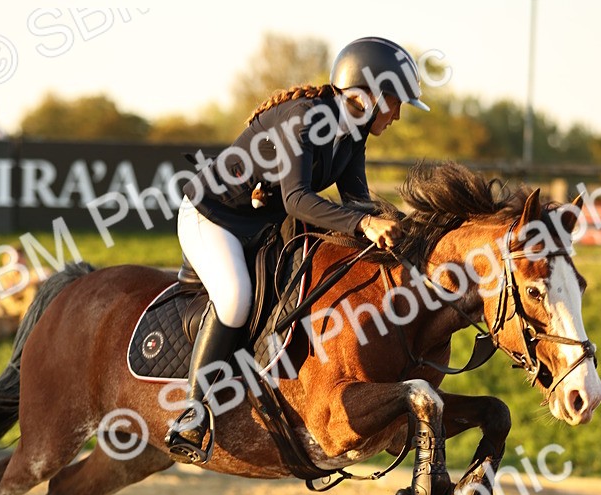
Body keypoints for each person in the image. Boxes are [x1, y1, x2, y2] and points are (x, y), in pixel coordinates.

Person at [165, 36, 431, 463]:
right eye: (395, 102)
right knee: (235, 298)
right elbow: (297, 199)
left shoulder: (354, 132)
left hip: (262, 225)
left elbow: (357, 201)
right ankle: (191, 415)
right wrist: (364, 224)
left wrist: (408, 228)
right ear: (368, 94)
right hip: (212, 216)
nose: (398, 115)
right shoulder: (304, 119)